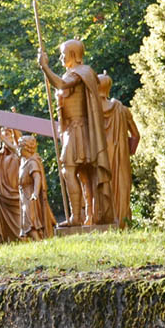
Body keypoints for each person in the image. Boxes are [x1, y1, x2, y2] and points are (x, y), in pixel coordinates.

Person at [38, 40, 113, 226]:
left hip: (79, 129)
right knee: (82, 174)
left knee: (69, 169)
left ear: (73, 54)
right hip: (71, 129)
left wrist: (45, 67)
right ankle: (88, 216)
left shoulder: (82, 72)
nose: (61, 58)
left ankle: (77, 217)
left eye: (63, 54)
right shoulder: (74, 73)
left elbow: (62, 85)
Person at [98, 73, 140, 228]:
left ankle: (104, 223)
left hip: (100, 158)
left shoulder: (92, 112)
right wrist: (127, 152)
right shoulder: (122, 109)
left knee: (102, 188)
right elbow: (135, 135)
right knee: (122, 189)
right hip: (121, 158)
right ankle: (122, 223)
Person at [16, 136, 57, 240]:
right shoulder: (24, 161)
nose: (17, 149)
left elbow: (37, 177)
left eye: (19, 147)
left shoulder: (32, 162)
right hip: (24, 194)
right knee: (28, 220)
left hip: (30, 194)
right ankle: (38, 241)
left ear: (26, 148)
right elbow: (12, 149)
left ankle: (39, 242)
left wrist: (35, 193)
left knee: (30, 220)